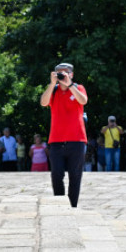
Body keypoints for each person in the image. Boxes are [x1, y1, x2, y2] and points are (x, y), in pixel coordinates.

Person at [40, 61, 88, 207]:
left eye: (65, 72)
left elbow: (83, 100)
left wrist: (69, 85)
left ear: (71, 74)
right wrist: (51, 84)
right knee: (56, 175)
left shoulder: (78, 88)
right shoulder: (53, 91)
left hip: (77, 140)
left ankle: (72, 206)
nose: (61, 75)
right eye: (59, 72)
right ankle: (60, 204)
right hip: (56, 141)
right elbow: (43, 102)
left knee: (75, 176)